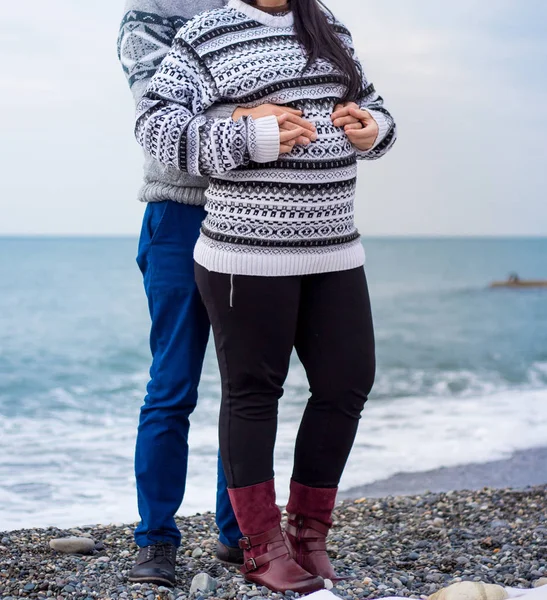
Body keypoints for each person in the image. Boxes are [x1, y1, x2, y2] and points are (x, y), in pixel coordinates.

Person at [134, 0, 397, 593]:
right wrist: (249, 135)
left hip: (333, 245)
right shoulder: (202, 32)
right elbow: (156, 126)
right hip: (243, 247)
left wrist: (374, 128)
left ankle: (307, 537)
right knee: (244, 391)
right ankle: (250, 546)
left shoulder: (328, 25)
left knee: (347, 382)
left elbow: (373, 102)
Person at [117, 0, 318, 587]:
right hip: (180, 213)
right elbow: (159, 118)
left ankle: (242, 533)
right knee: (172, 385)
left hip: (258, 213)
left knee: (250, 386)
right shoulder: (151, 12)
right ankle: (155, 539)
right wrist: (252, 112)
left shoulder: (272, 10)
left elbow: (301, 101)